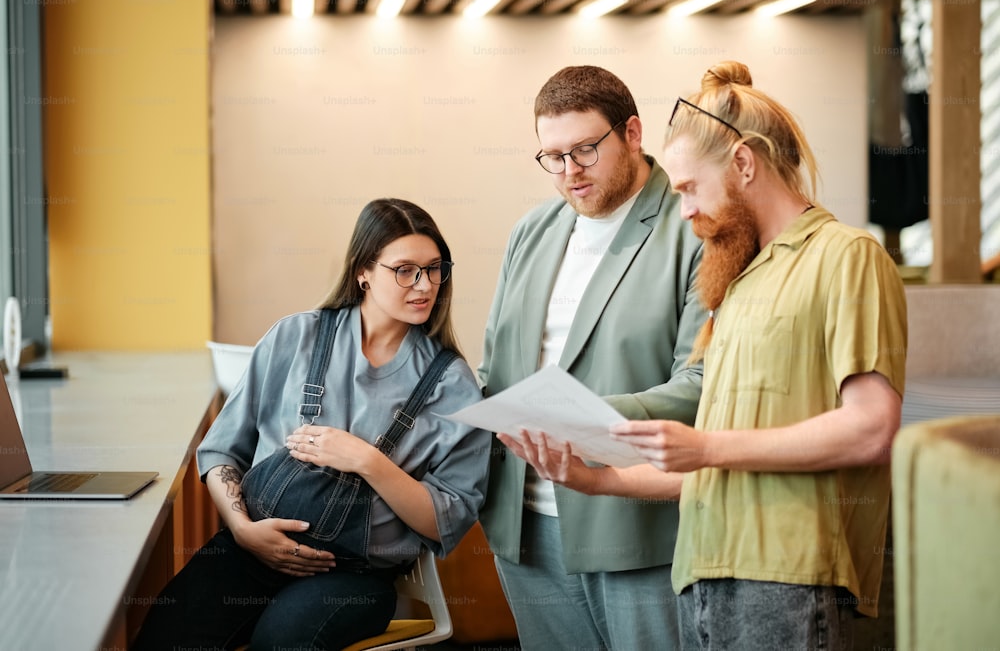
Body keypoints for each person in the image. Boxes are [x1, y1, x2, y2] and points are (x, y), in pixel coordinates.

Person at [611, 61, 907, 649]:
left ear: (744, 163)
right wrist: (597, 480)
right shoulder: (737, 280)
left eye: (690, 188)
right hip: (700, 572)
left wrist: (705, 446)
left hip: (787, 578)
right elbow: (717, 467)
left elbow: (872, 428)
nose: (685, 210)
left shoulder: (847, 256)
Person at [132, 198, 491, 651]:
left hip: (354, 577)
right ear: (363, 271)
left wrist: (366, 461)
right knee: (163, 639)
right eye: (405, 270)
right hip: (251, 551)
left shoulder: (452, 385)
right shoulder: (294, 337)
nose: (424, 285)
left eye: (435, 268)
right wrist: (243, 530)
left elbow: (448, 520)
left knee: (282, 641)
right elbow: (223, 450)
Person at [477, 65, 707, 650]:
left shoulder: (692, 228)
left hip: (635, 524)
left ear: (632, 133)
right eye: (552, 156)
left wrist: (579, 417)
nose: (569, 172)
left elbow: (706, 384)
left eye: (584, 149)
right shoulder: (531, 231)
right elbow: (496, 367)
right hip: (525, 524)